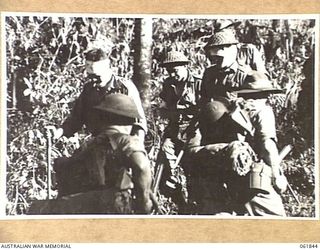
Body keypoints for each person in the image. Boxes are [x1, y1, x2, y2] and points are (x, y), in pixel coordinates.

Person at [187, 95, 287, 216]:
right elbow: (267, 146)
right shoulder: (259, 113)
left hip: (225, 188)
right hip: (255, 182)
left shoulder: (207, 148)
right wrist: (277, 175)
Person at [54, 93, 153, 214]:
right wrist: (145, 200)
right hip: (115, 207)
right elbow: (141, 166)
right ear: (129, 120)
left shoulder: (88, 145)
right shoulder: (125, 140)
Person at [50, 47, 147, 141]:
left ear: (107, 67)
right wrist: (58, 132)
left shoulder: (124, 88)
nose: (93, 80)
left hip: (121, 143)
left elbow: (139, 124)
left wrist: (134, 149)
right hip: (98, 144)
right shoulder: (89, 89)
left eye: (97, 77)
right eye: (90, 76)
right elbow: (76, 119)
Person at [158, 50, 201, 212]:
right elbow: (163, 107)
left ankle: (195, 203)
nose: (172, 74)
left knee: (192, 163)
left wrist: (195, 124)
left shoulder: (198, 82)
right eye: (169, 71)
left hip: (194, 129)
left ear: (184, 67)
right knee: (165, 152)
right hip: (174, 128)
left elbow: (207, 108)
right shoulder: (168, 84)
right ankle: (178, 197)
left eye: (175, 70)